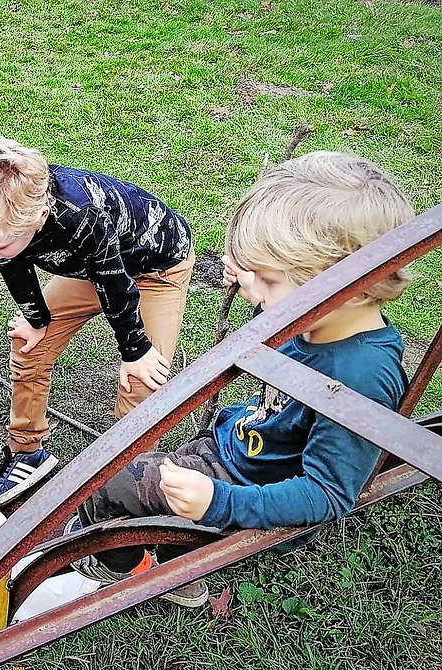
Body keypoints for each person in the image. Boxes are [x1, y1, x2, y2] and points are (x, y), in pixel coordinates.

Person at [69, 151, 411, 607]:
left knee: (113, 487)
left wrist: (220, 502)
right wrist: (255, 278)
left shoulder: (359, 377)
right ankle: (167, 553)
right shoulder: (312, 317)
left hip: (247, 482)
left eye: (266, 280)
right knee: (134, 472)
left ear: (344, 285)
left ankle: (126, 569)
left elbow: (328, 494)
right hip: (234, 445)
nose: (252, 290)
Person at [0, 136, 195, 504]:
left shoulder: (81, 214)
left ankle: (126, 481)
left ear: (39, 217)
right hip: (91, 266)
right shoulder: (8, 221)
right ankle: (26, 452)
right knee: (30, 346)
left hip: (155, 270)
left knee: (143, 381)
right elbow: (12, 262)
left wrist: (135, 350)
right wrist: (36, 318)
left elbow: (116, 284)